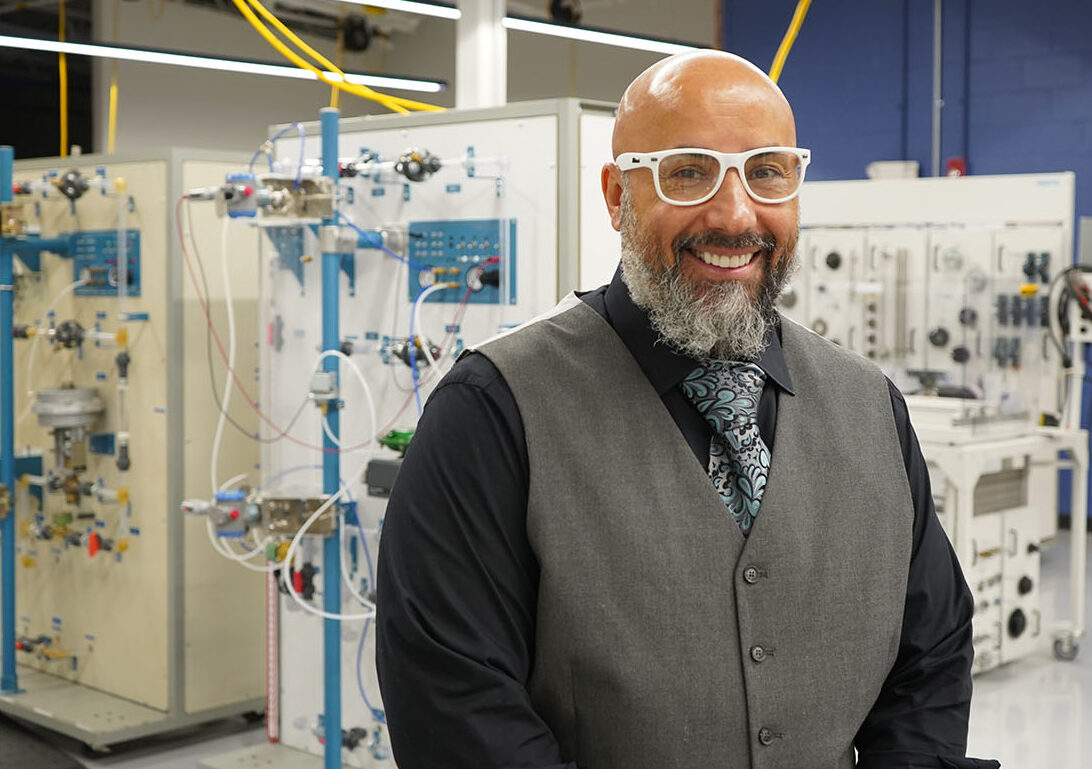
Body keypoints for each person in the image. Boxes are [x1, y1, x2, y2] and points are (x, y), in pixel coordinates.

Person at [376, 50, 998, 769]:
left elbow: (932, 658)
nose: (735, 215)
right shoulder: (493, 412)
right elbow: (459, 709)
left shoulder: (870, 406)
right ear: (617, 195)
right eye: (689, 172)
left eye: (767, 172)